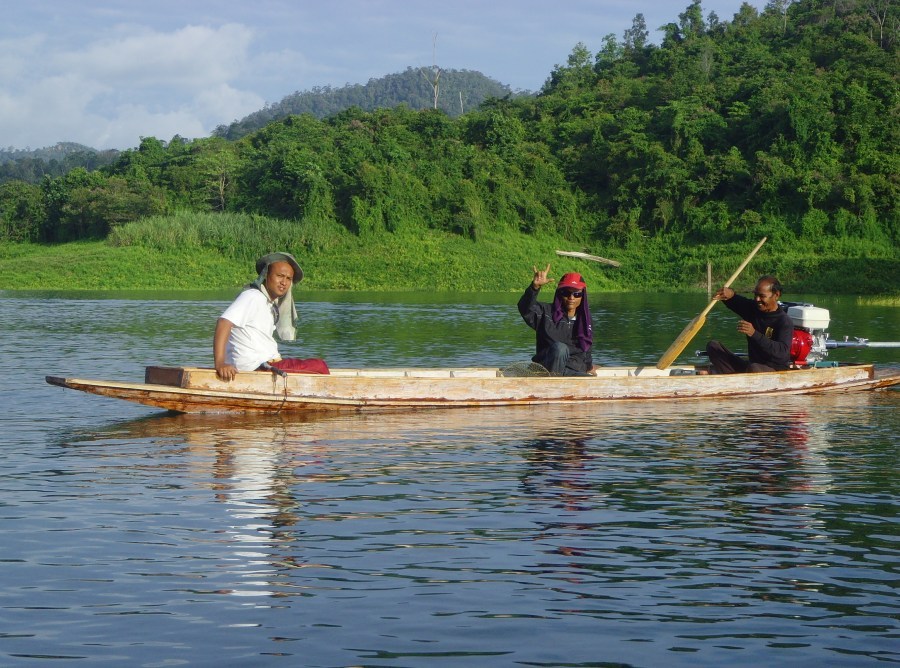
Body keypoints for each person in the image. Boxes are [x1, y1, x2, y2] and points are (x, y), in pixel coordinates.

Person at [213, 252, 328, 381]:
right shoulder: (252, 296)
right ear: (266, 276)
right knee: (320, 366)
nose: (284, 282)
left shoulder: (268, 302)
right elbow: (224, 322)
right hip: (256, 367)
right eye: (279, 276)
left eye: (289, 279)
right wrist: (220, 363)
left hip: (268, 364)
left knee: (317, 367)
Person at [703, 274, 794, 374]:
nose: (757, 299)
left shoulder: (784, 321)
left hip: (774, 371)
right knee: (713, 347)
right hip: (751, 367)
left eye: (762, 296)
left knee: (754, 368)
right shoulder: (754, 309)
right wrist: (729, 295)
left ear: (776, 295)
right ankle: (732, 378)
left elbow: (782, 353)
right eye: (756, 295)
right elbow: (736, 301)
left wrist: (754, 334)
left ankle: (730, 376)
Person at [518, 264, 597, 376]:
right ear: (560, 294)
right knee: (560, 348)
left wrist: (589, 367)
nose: (571, 298)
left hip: (572, 370)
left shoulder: (585, 320)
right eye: (566, 293)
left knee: (589, 381)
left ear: (582, 296)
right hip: (546, 370)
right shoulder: (545, 313)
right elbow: (525, 308)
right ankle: (554, 385)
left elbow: (587, 348)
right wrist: (534, 288)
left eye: (577, 294)